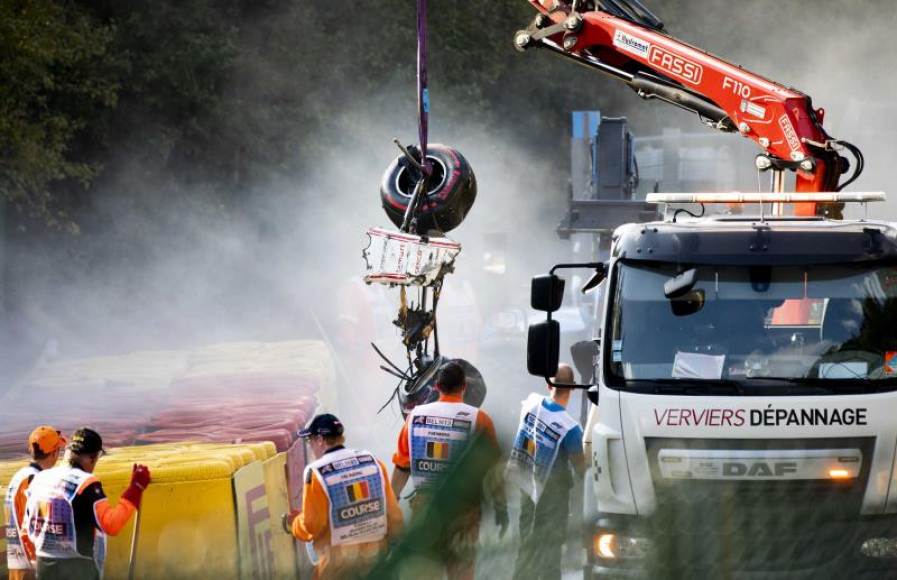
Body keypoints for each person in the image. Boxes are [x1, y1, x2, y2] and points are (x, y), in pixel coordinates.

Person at [390, 360, 508, 580]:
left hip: (426, 512)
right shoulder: (479, 419)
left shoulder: (414, 417)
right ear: (464, 387)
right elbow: (494, 473)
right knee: (461, 573)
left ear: (436, 386)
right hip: (464, 514)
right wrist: (501, 507)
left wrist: (390, 506)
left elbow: (401, 468)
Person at [286, 413, 404, 580]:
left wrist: (294, 524)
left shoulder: (315, 473)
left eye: (309, 441)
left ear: (320, 439)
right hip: (377, 562)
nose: (310, 446)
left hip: (338, 569)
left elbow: (313, 525)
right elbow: (394, 517)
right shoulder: (372, 462)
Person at [24, 428, 151, 580]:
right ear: (92, 458)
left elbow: (26, 526)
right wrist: (135, 489)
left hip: (43, 565)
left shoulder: (39, 479)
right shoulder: (85, 483)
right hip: (76, 569)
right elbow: (112, 524)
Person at [508, 364, 586, 580]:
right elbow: (582, 469)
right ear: (572, 388)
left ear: (548, 384)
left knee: (526, 543)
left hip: (526, 486)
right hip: (553, 496)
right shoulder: (569, 428)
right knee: (551, 549)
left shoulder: (531, 403)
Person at [5, 426, 66, 580]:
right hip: (32, 568)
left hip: (17, 566)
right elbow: (36, 527)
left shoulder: (19, 476)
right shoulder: (35, 482)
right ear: (54, 453)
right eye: (59, 450)